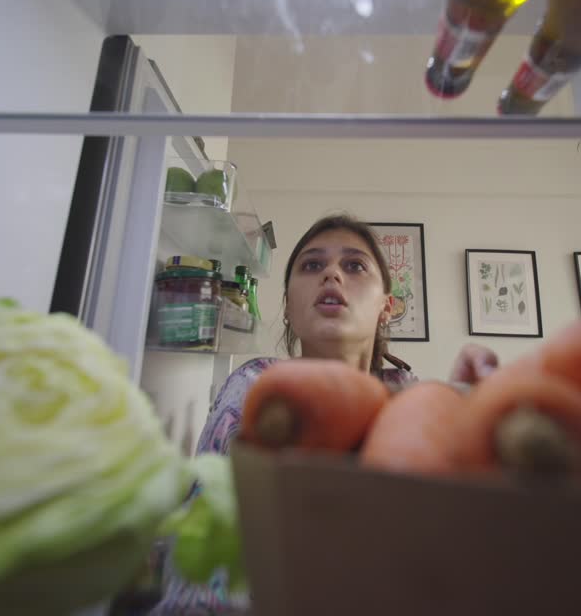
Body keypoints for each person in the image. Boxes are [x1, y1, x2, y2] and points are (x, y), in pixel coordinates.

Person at [144, 214, 498, 615]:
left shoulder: (418, 398)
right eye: (312, 265)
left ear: (387, 306)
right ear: (290, 308)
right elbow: (204, 546)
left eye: (354, 265)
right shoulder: (257, 387)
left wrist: (478, 416)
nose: (331, 273)